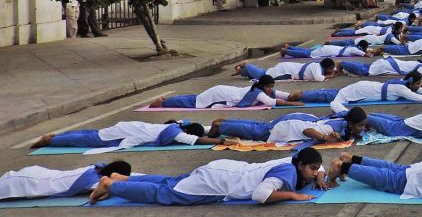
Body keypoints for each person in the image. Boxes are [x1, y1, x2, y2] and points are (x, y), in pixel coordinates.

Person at [88, 147, 326, 205]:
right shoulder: (285, 175)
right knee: (166, 193)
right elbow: (260, 195)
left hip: (223, 168)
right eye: (312, 169)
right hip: (216, 183)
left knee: (172, 182)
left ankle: (123, 178)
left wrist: (319, 175)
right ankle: (111, 185)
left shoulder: (291, 161)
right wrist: (292, 195)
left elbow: (311, 161)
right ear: (301, 165)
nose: (315, 173)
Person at [31, 120, 226, 152]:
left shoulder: (178, 124)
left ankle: (54, 136)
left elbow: (201, 130)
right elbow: (197, 140)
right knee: (91, 139)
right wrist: (222, 141)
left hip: (129, 127)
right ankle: (51, 140)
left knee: (93, 134)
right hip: (127, 132)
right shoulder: (176, 133)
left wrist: (214, 127)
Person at [210, 109, 367, 144]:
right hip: (292, 126)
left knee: (263, 127)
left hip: (299, 118)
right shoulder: (331, 129)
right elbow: (307, 131)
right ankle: (221, 126)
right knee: (258, 133)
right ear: (351, 124)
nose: (362, 129)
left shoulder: (343, 121)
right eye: (360, 126)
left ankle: (227, 122)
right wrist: (326, 138)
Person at [0, 161, 132, 201]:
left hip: (37, 173)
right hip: (29, 182)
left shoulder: (96, 169)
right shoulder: (93, 182)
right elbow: (109, 189)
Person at [148, 75, 304, 109]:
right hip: (222, 94)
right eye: (269, 87)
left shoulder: (260, 88)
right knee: (195, 102)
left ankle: (167, 98)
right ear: (264, 86)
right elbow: (272, 101)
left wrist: (290, 96)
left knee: (197, 98)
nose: (270, 89)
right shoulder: (258, 92)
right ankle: (163, 102)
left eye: (271, 87)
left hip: (225, 90)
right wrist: (293, 103)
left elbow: (278, 94)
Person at [328, 72, 422, 112]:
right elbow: (419, 98)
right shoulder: (401, 88)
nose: (419, 86)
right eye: (417, 83)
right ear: (411, 83)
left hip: (367, 87)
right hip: (362, 91)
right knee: (333, 98)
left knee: (333, 95)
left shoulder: (404, 83)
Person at [233, 59, 337, 82]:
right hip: (287, 69)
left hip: (288, 68)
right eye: (330, 69)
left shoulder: (318, 67)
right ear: (325, 67)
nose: (331, 71)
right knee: (263, 75)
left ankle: (241, 70)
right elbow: (319, 79)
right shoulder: (316, 67)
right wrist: (329, 76)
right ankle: (246, 65)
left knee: (263, 72)